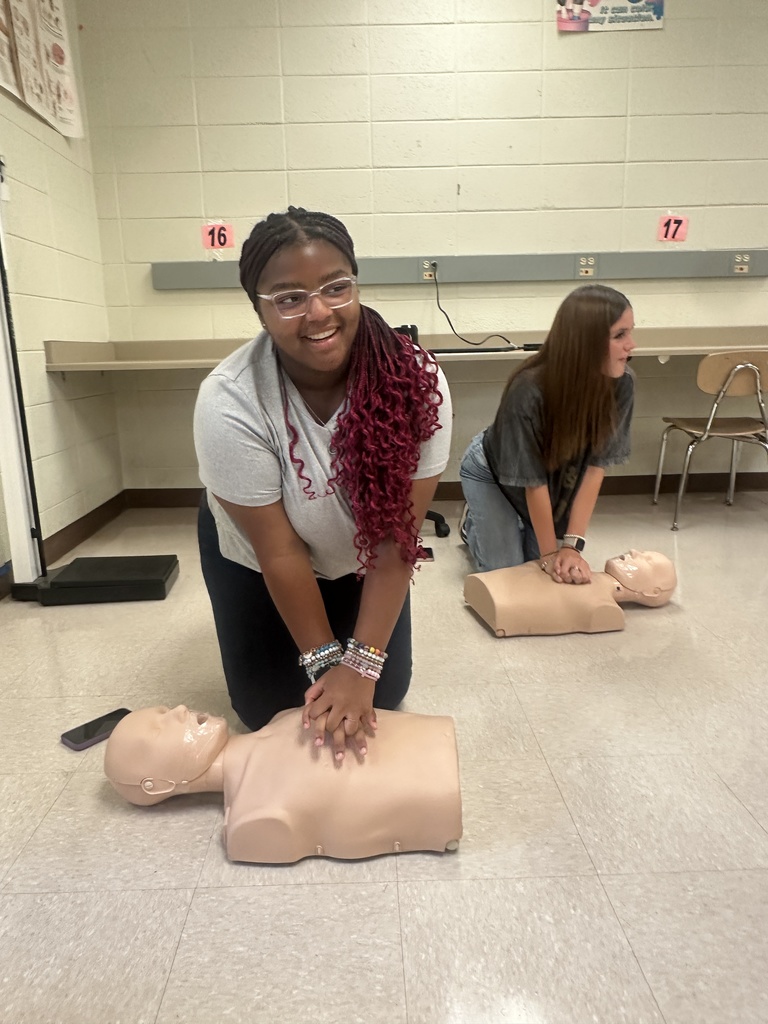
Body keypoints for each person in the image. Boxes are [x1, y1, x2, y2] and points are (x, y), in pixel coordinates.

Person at [193, 207, 452, 758]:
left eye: (336, 287)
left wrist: (360, 665)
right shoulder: (229, 399)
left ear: (355, 285)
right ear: (259, 310)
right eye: (288, 297)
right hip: (261, 553)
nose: (317, 313)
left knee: (387, 689)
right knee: (268, 707)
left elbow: (394, 536)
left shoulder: (416, 383)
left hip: (364, 551)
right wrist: (325, 661)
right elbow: (280, 550)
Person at [104, 705, 463, 864]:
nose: (181, 710)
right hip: (440, 795)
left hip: (436, 746)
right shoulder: (253, 817)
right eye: (159, 728)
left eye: (165, 709)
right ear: (155, 785)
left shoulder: (278, 720)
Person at [459, 284, 635, 578]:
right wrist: (551, 553)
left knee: (541, 567)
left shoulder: (622, 384)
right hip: (493, 472)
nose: (632, 345)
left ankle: (509, 526)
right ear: (586, 342)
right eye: (620, 335)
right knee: (509, 572)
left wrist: (571, 547)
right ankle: (474, 525)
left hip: (551, 476)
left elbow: (595, 469)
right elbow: (533, 483)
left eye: (630, 332)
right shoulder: (528, 389)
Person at [464, 549, 676, 637]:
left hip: (500, 605)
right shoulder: (586, 573)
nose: (633, 552)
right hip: (493, 587)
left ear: (652, 592)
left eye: (646, 560)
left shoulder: (606, 609)